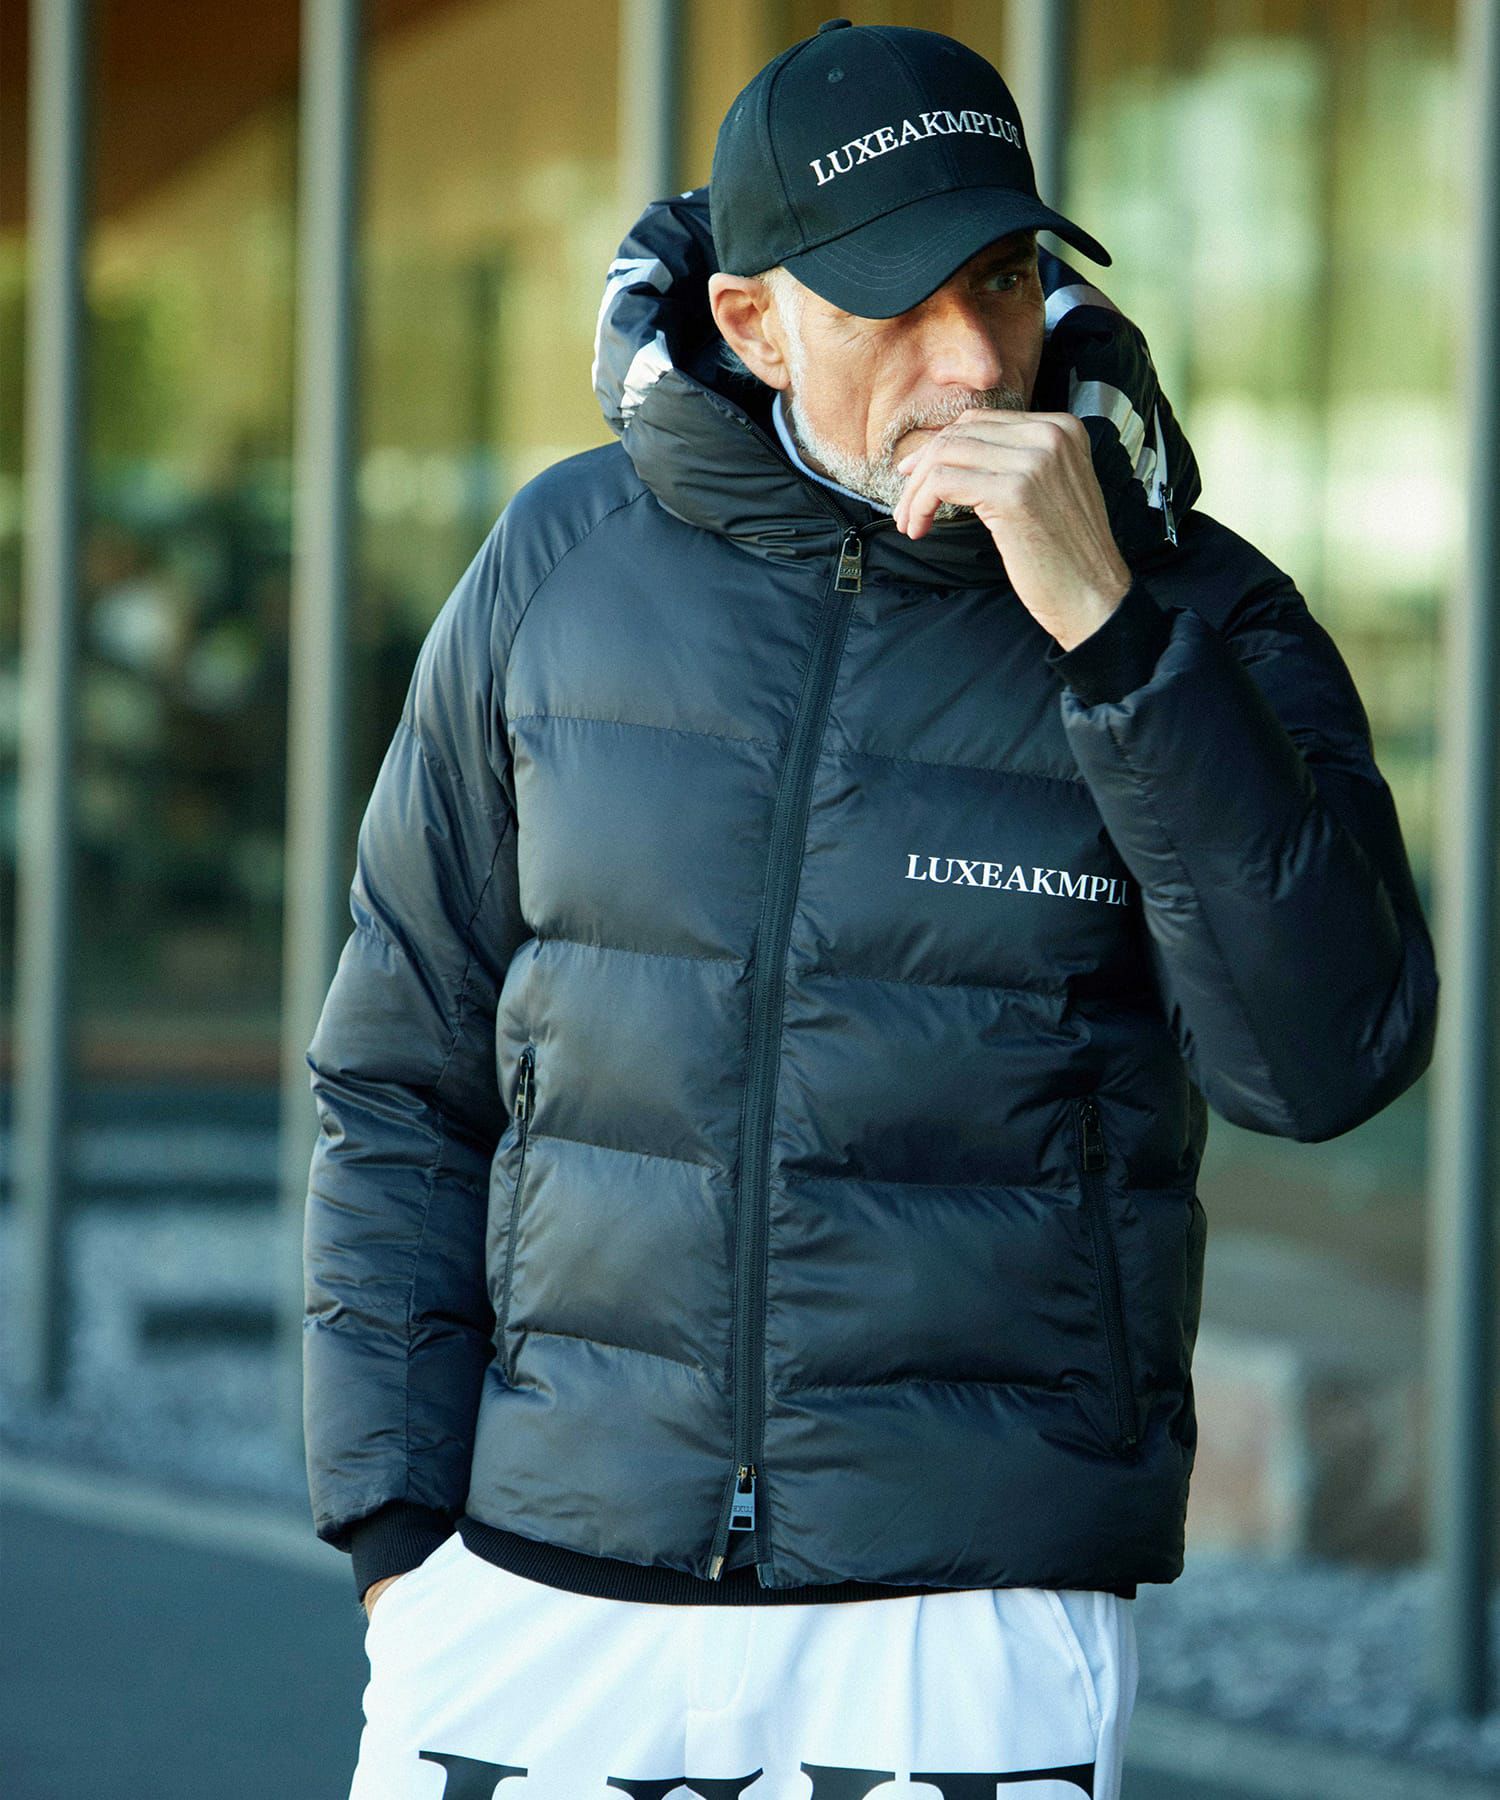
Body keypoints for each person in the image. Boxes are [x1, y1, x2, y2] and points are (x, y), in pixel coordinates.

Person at [302, 19, 1439, 1800]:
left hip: (964, 1622)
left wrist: (1114, 641)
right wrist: (397, 1543)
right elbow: (401, 1073)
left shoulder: (1204, 617)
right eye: (897, 302)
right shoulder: (558, 566)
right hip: (536, 1601)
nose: (973, 357)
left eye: (1002, 280)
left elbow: (1328, 1059)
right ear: (753, 322)